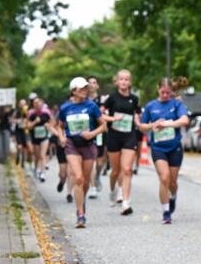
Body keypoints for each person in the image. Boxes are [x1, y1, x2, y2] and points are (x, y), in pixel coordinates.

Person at [140, 77, 190, 224]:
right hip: (158, 147)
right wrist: (152, 125)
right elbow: (142, 126)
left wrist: (168, 124)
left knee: (173, 182)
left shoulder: (176, 104)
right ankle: (166, 211)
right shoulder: (151, 106)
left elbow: (185, 120)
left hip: (174, 147)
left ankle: (172, 196)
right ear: (158, 90)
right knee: (164, 178)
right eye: (163, 92)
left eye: (168, 93)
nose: (165, 95)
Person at [58, 76, 106, 228]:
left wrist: (92, 134)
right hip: (72, 145)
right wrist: (62, 137)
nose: (84, 91)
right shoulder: (65, 108)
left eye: (86, 88)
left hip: (88, 145)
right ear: (73, 91)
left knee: (85, 180)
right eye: (81, 88)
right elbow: (59, 126)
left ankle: (81, 201)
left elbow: (103, 125)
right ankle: (80, 214)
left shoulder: (91, 106)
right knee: (78, 178)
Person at [102, 69, 141, 215]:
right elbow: (100, 114)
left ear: (130, 82)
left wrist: (139, 122)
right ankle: (113, 191)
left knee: (126, 169)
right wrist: (113, 119)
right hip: (114, 136)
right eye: (121, 79)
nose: (124, 82)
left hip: (129, 135)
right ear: (117, 81)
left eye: (126, 79)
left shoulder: (134, 99)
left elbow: (137, 115)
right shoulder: (112, 97)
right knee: (115, 171)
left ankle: (126, 203)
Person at [87, 76, 107, 199]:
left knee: (100, 162)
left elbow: (104, 114)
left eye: (94, 83)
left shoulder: (103, 100)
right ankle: (92, 187)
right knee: (92, 161)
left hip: (100, 132)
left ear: (97, 86)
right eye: (89, 83)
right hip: (88, 132)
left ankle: (98, 175)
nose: (92, 85)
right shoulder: (83, 100)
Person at [26, 97, 53, 181]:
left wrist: (49, 126)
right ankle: (36, 168)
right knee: (37, 155)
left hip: (44, 136)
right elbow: (28, 126)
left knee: (42, 155)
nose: (38, 105)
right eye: (36, 103)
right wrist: (35, 122)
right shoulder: (31, 113)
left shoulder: (46, 112)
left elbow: (53, 121)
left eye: (39, 103)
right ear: (33, 105)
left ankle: (42, 173)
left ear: (42, 104)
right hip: (35, 137)